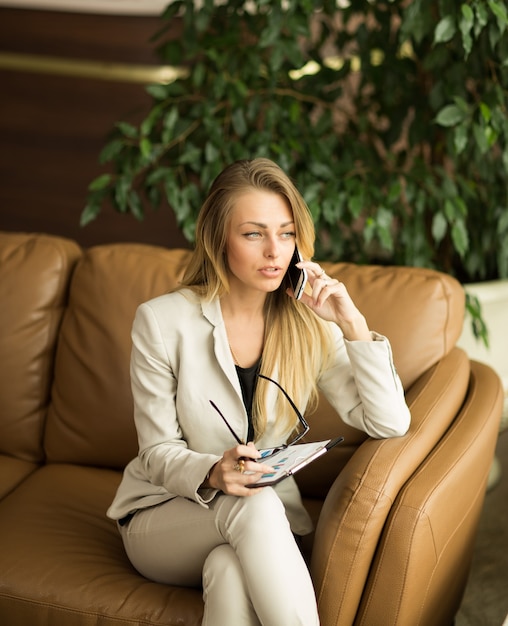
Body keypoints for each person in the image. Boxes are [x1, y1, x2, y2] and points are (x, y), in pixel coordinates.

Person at [107, 157, 411, 626]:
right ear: (219, 239)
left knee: (228, 572)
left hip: (249, 524)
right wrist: (213, 471)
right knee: (254, 505)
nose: (276, 251)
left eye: (286, 234)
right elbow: (156, 453)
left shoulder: (310, 324)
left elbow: (389, 422)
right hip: (165, 516)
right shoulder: (162, 322)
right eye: (254, 234)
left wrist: (352, 323)